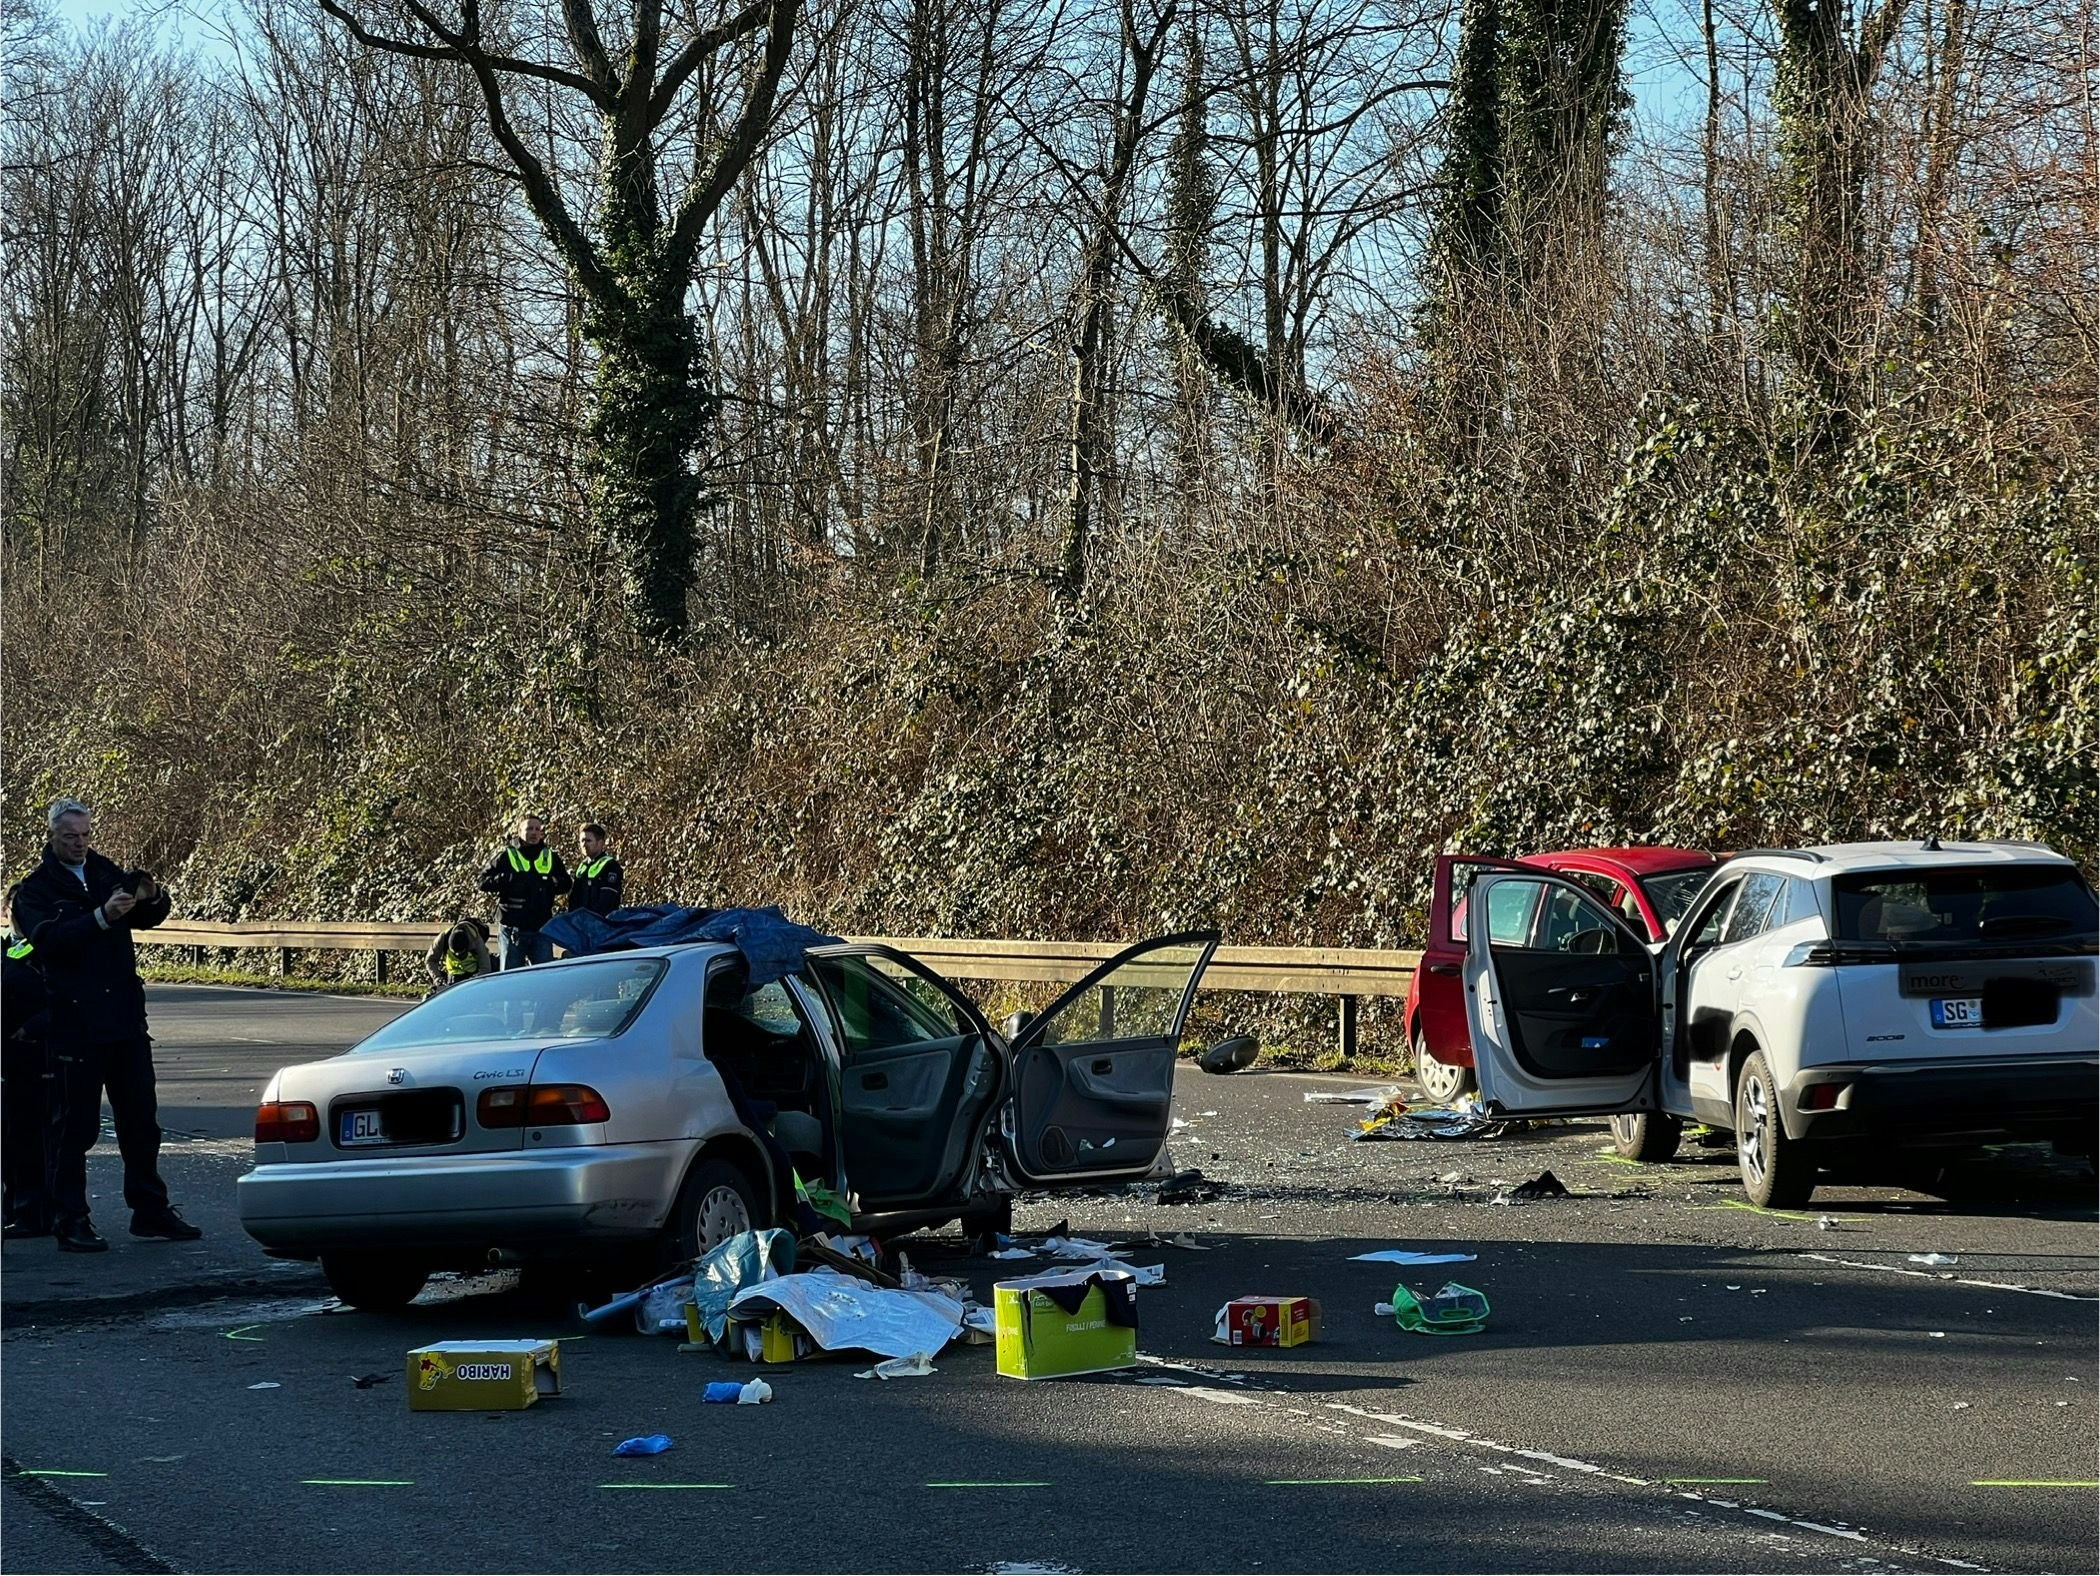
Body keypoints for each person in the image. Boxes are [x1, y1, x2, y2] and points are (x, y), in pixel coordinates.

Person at [11, 798, 200, 1251]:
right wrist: (100, 918)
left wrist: (152, 895)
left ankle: (150, 1210)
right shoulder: (36, 890)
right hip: (75, 1022)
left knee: (141, 1122)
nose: (79, 844)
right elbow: (48, 942)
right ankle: (69, 1218)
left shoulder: (102, 871)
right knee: (73, 1128)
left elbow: (147, 915)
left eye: (84, 835)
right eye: (70, 837)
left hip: (125, 1020)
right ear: (53, 837)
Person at [2, 883, 52, 1239]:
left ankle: (37, 1211)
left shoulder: (50, 950)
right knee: (12, 1137)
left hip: (42, 1053)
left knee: (39, 1137)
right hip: (12, 1057)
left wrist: (33, 1028)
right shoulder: (8, 951)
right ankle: (17, 1207)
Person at [477, 813, 570, 969]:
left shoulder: (550, 856)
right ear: (519, 831)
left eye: (537, 829)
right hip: (513, 928)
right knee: (510, 980)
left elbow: (566, 884)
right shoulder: (507, 855)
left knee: (545, 977)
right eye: (529, 829)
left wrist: (547, 883)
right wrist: (509, 879)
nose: (534, 832)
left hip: (541, 928)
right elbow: (482, 882)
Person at [567, 823, 625, 917]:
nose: (584, 845)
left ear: (600, 843)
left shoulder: (610, 866)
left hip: (601, 923)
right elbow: (573, 900)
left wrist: (591, 920)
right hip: (579, 923)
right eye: (582, 841)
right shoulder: (582, 866)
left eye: (588, 841)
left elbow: (606, 902)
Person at [423, 917, 494, 994]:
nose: (458, 956)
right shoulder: (443, 937)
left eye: (461, 954)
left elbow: (485, 968)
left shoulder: (477, 941)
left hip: (473, 976)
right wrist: (437, 978)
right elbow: (430, 960)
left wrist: (473, 980)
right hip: (453, 976)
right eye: (454, 953)